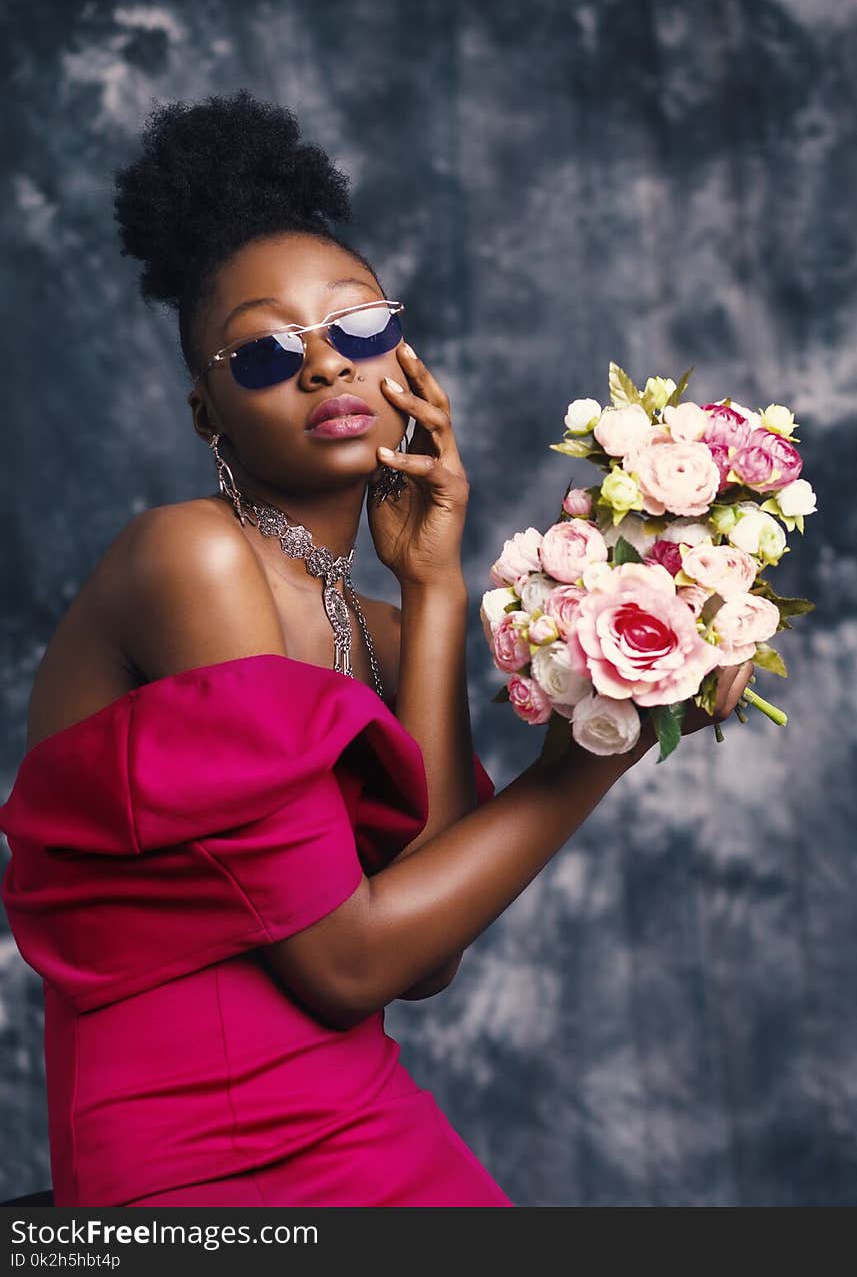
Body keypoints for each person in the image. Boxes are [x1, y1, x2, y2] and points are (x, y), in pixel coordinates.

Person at [0, 90, 753, 1208]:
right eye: (263, 353)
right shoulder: (191, 563)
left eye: (358, 326)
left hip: (350, 1104)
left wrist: (435, 585)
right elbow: (347, 964)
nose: (324, 367)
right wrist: (599, 749)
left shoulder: (383, 623)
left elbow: (427, 953)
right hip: (195, 1142)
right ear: (209, 416)